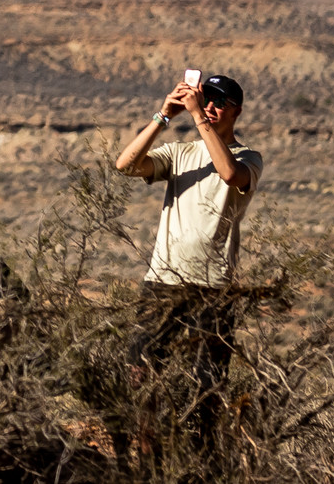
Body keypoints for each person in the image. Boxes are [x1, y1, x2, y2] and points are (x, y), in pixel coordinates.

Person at [113, 71, 263, 449]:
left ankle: (207, 456)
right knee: (141, 368)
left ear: (237, 111)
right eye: (204, 100)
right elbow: (126, 165)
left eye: (218, 104)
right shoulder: (180, 153)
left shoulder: (249, 157)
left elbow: (230, 173)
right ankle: (148, 454)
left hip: (213, 287)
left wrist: (196, 116)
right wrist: (163, 115)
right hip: (163, 279)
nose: (209, 108)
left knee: (207, 381)